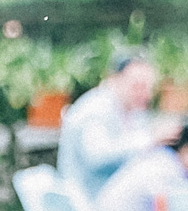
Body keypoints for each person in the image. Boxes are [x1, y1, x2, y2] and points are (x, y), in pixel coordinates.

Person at [57, 50, 159, 201]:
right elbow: (98, 157)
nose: (146, 94)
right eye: (138, 86)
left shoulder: (132, 111)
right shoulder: (96, 108)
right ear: (114, 80)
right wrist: (149, 139)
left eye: (148, 87)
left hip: (112, 202)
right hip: (88, 206)